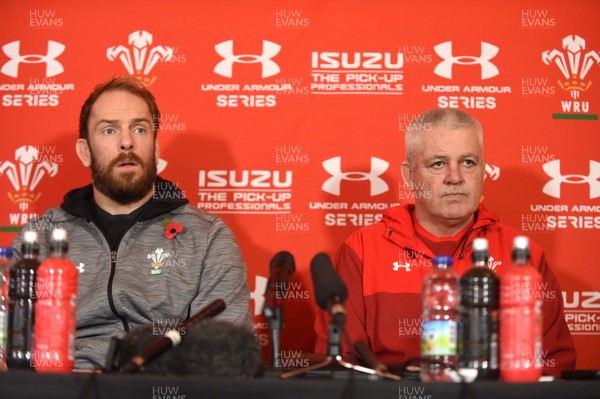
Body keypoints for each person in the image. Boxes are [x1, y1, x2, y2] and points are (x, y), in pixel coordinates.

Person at [11, 77, 254, 370]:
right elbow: (10, 338)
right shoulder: (40, 236)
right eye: (109, 130)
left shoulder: (207, 238)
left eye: (139, 129)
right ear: (85, 151)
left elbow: (224, 353)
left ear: (155, 146)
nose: (127, 142)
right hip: (62, 385)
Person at [314, 108, 576, 377]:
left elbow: (554, 362)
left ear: (483, 170)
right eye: (438, 163)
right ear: (409, 174)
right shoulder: (362, 250)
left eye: (468, 162)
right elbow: (340, 364)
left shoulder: (523, 254)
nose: (455, 177)